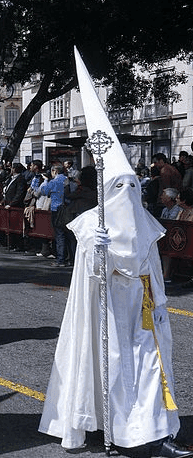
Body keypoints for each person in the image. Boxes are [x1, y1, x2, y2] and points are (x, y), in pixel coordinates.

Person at [39, 47, 191, 458]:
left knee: (151, 371)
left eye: (131, 187)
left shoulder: (144, 221)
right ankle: (116, 429)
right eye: (117, 187)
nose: (126, 195)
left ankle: (157, 435)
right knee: (117, 370)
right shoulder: (92, 224)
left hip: (142, 313)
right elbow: (84, 280)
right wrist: (93, 251)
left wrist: (159, 304)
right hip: (107, 311)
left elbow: (153, 270)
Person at [39, 164, 67, 266]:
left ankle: (60, 259)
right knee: (68, 235)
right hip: (67, 208)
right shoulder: (67, 180)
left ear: (54, 171)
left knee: (59, 235)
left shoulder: (53, 181)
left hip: (56, 209)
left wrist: (46, 180)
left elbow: (44, 191)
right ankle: (69, 258)